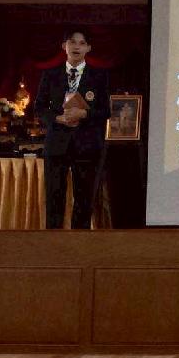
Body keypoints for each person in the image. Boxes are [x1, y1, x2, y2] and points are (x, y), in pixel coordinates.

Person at [37, 29, 110, 230]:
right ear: (64, 46)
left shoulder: (99, 75)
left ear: (88, 48)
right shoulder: (50, 74)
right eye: (72, 42)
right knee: (54, 196)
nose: (76, 46)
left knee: (84, 198)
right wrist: (57, 118)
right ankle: (54, 241)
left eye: (82, 43)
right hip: (57, 144)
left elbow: (105, 111)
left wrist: (84, 113)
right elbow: (39, 108)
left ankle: (80, 241)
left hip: (87, 145)